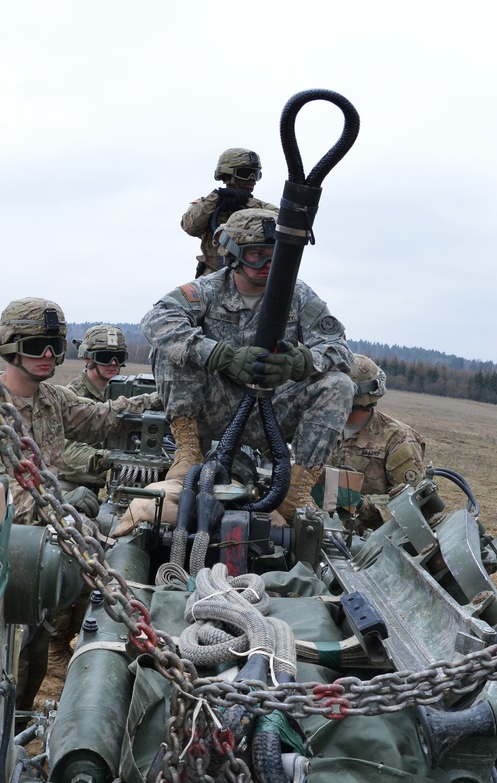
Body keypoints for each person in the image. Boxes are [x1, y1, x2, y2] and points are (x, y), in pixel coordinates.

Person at [0, 299, 154, 703]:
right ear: (10, 347)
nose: (46, 355)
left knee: (34, 657)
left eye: (53, 345)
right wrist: (56, 501)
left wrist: (158, 398)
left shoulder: (51, 400)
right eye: (36, 344)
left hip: (40, 561)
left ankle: (18, 736)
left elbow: (103, 418)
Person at [143, 208, 354, 520]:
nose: (268, 264)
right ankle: (187, 451)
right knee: (171, 349)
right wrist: (219, 355)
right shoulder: (209, 290)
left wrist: (301, 362)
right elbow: (157, 320)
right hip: (215, 407)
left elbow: (339, 349)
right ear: (235, 255)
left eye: (275, 255)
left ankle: (295, 489)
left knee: (339, 385)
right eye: (257, 254)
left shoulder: (298, 295)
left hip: (271, 413)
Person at [325, 355, 427, 530]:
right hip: (314, 527)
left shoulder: (398, 439)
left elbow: (413, 501)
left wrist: (359, 504)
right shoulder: (321, 427)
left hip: (365, 542)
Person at [181, 148, 276, 277]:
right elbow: (190, 227)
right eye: (245, 173)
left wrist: (248, 202)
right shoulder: (207, 205)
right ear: (226, 175)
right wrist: (216, 198)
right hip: (213, 275)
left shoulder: (263, 210)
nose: (252, 179)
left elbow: (285, 224)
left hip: (253, 276)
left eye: (255, 174)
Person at [58, 324, 131, 488]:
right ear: (88, 358)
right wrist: (109, 459)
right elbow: (69, 451)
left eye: (118, 357)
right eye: (105, 357)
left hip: (121, 481)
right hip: (74, 482)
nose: (113, 363)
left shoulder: (126, 393)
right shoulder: (71, 397)